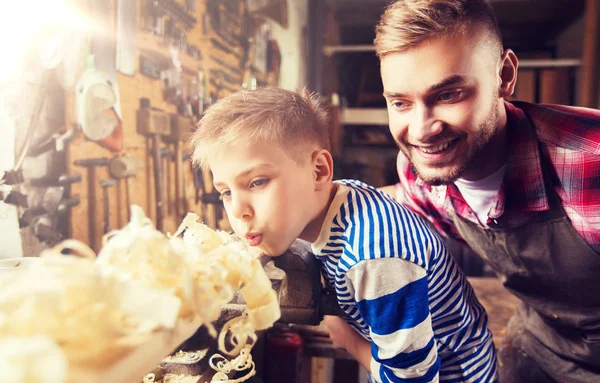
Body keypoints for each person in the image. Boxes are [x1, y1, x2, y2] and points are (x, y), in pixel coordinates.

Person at [191, 87, 498, 382]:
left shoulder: (374, 257)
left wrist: (349, 341)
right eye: (226, 192)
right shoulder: (341, 196)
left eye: (257, 182)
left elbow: (413, 379)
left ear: (319, 171)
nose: (239, 211)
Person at [374, 1, 600, 382]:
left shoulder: (589, 163)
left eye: (448, 95)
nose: (421, 130)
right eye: (400, 103)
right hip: (539, 344)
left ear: (505, 75)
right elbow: (392, 199)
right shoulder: (422, 171)